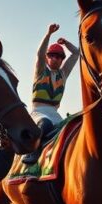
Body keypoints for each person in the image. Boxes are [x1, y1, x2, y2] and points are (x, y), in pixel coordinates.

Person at [23, 22, 80, 164]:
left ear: (62, 60)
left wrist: (66, 43)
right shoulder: (41, 70)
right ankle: (32, 153)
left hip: (55, 114)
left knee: (73, 129)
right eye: (52, 55)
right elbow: (40, 53)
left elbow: (76, 53)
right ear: (48, 58)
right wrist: (48, 34)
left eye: (59, 56)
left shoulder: (63, 73)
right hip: (38, 113)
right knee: (46, 124)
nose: (55, 58)